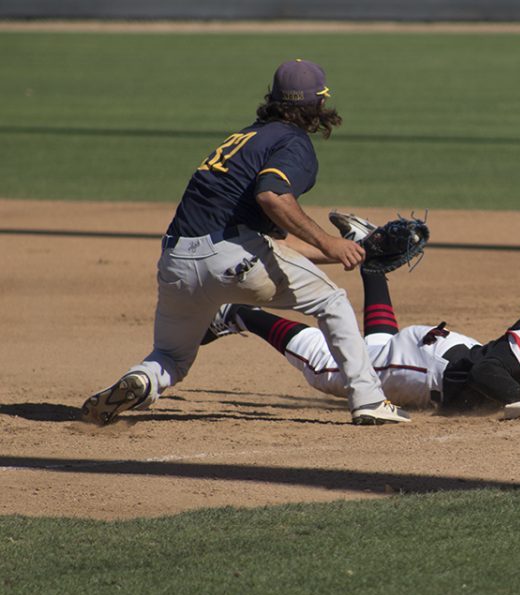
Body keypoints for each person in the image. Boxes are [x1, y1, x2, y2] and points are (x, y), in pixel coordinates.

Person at [82, 60, 409, 426]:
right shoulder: (293, 142)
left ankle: (141, 380)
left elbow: (270, 247)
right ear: (317, 105)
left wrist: (351, 250)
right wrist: (329, 242)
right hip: (232, 257)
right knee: (332, 301)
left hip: (178, 261)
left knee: (171, 356)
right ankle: (369, 400)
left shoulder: (246, 139)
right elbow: (272, 194)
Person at [200, 213, 520, 412]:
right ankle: (237, 312)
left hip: (443, 353)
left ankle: (371, 255)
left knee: (377, 346)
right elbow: (488, 373)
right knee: (328, 369)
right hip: (432, 370)